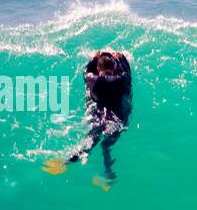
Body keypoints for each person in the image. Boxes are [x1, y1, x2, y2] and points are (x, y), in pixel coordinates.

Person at [44, 50, 132, 187]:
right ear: (114, 68)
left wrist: (94, 58)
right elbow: (127, 74)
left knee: (90, 140)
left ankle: (65, 163)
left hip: (98, 114)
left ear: (98, 68)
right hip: (115, 116)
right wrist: (121, 59)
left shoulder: (92, 78)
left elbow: (85, 72)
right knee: (106, 145)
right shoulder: (121, 79)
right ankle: (108, 174)